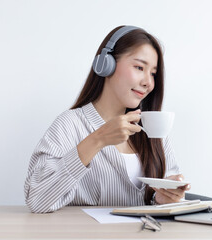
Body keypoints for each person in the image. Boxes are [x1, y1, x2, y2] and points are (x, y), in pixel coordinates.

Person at [24, 25, 190, 213]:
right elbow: (36, 200)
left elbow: (169, 190)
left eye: (153, 73)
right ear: (106, 65)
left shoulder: (151, 127)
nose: (148, 82)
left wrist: (161, 198)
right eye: (139, 67)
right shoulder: (69, 124)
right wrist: (98, 139)